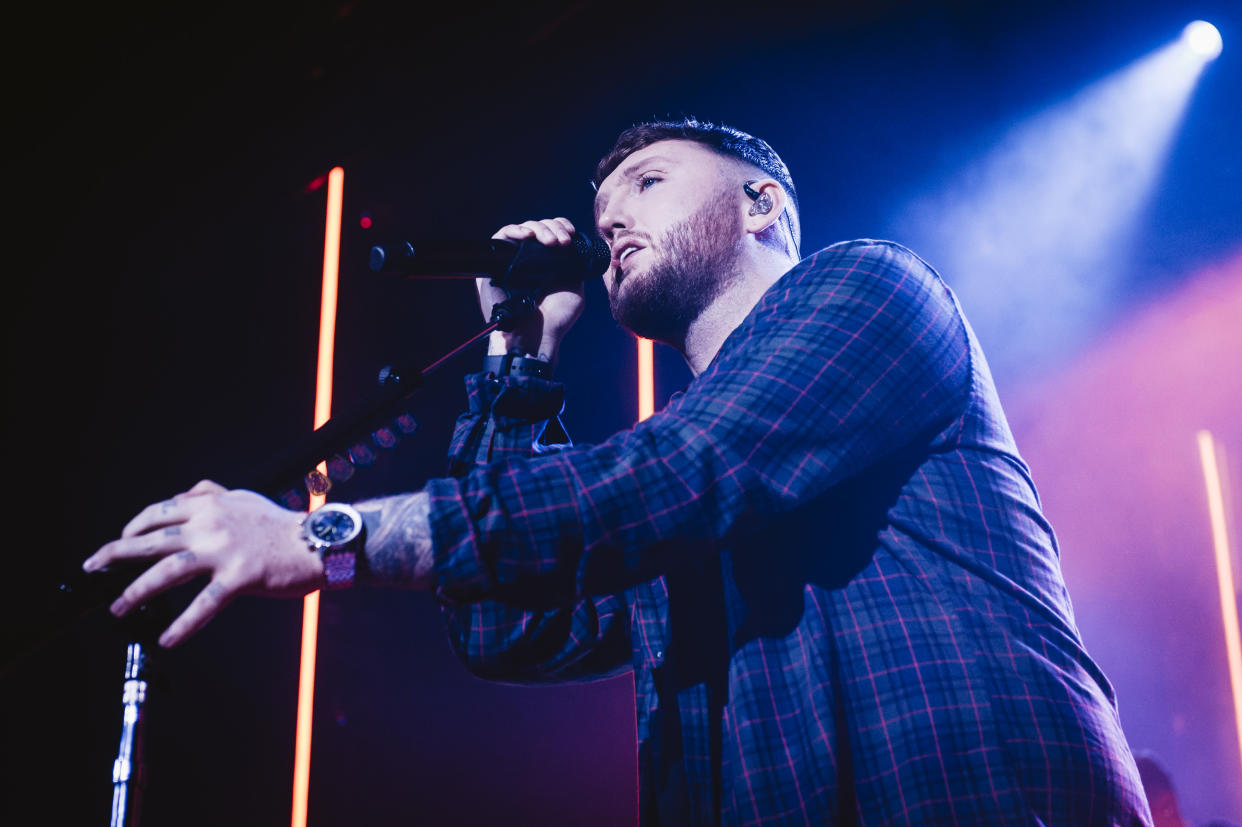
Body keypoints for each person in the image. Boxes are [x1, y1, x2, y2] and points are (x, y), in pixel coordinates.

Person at [86, 118, 1153, 825]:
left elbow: (688, 468)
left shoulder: (871, 289)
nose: (615, 224)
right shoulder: (679, 495)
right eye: (603, 219)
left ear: (763, 205)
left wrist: (329, 535)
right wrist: (520, 355)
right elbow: (510, 624)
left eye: (649, 183)